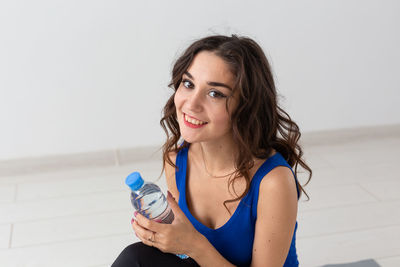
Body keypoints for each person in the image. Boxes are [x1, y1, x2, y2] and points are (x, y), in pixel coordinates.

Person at [112, 34, 312, 267]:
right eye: (188, 84)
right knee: (135, 258)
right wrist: (164, 238)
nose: (192, 103)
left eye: (215, 93)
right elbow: (184, 256)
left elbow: (193, 248)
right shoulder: (177, 162)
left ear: (245, 107)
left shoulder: (273, 181)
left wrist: (192, 244)